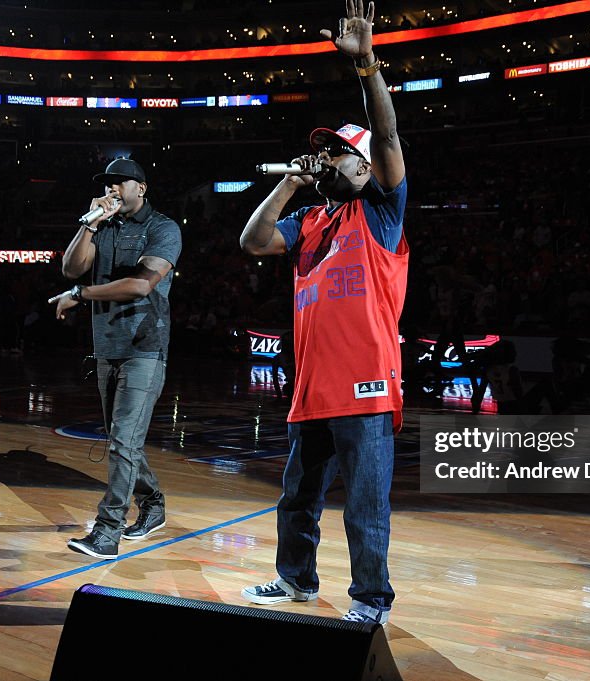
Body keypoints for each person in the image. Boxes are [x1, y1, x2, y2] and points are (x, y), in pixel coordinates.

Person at [239, 0, 407, 626]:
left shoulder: (382, 213)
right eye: (325, 152)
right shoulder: (309, 221)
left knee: (364, 506)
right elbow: (252, 243)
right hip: (312, 390)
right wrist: (289, 181)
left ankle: (369, 602)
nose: (329, 160)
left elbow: (387, 135)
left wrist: (367, 66)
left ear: (365, 168)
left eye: (340, 153)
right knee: (296, 501)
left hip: (365, 390)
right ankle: (295, 580)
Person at [51, 157, 182, 560]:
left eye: (120, 183)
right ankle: (153, 502)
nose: (112, 190)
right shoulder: (102, 224)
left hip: (145, 348)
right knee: (123, 441)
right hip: (107, 348)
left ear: (141, 188)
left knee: (124, 441)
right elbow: (71, 268)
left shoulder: (163, 228)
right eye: (107, 184)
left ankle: (108, 532)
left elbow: (143, 285)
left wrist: (82, 295)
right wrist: (89, 222)